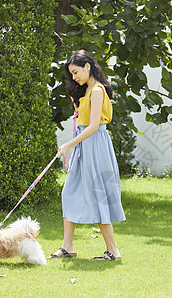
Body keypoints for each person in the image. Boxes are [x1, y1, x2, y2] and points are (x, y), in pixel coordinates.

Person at [48, 50, 126, 261]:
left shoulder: (98, 90)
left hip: (95, 146)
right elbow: (83, 121)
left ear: (88, 67)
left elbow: (93, 127)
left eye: (76, 72)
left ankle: (113, 251)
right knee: (69, 192)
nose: (74, 77)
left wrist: (68, 145)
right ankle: (68, 247)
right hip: (84, 146)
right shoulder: (87, 91)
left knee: (99, 195)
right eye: (71, 74)